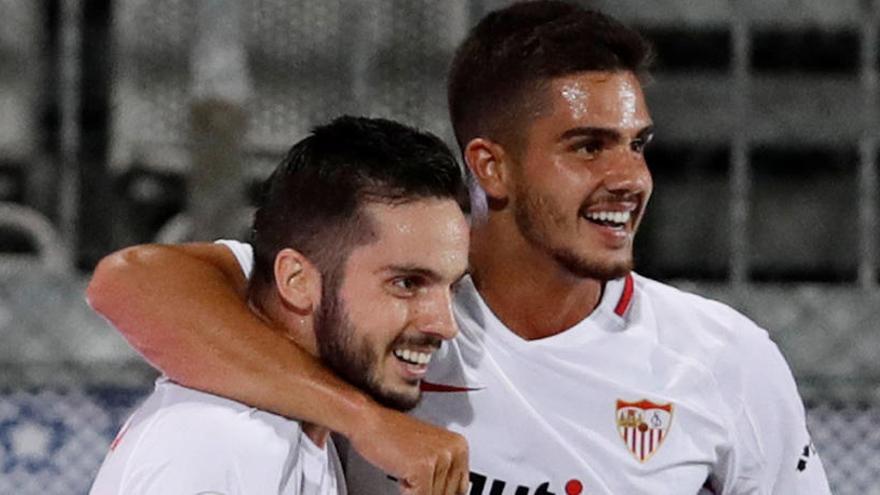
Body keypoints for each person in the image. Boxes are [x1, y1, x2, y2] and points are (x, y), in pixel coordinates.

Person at [88, 2, 832, 494]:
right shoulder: (374, 302)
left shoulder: (723, 358)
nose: (628, 177)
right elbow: (132, 283)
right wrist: (372, 422)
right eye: (587, 146)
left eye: (638, 145)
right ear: (490, 165)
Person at [88, 116, 470, 495]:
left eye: (450, 286)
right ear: (296, 281)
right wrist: (365, 420)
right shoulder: (224, 442)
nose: (445, 324)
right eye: (406, 283)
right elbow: (126, 278)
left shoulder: (292, 431)